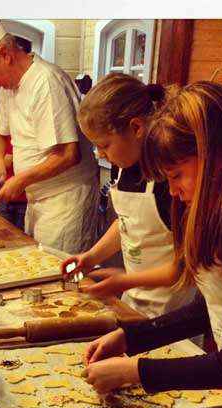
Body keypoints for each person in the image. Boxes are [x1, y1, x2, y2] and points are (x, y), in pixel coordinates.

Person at [82, 81, 222, 394]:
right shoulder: (219, 219)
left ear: (217, 158)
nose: (172, 191)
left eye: (176, 175)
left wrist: (134, 371)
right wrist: (132, 337)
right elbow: (207, 308)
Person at [0, 19, 100, 254]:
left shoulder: (46, 81)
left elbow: (68, 154)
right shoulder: (9, 88)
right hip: (39, 199)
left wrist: (20, 180)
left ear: (5, 55)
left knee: (58, 272)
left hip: (64, 201)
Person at [62, 73, 194, 319]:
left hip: (170, 312)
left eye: (105, 145)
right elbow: (127, 223)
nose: (100, 154)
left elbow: (184, 266)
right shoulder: (124, 167)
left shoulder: (171, 183)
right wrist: (91, 257)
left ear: (136, 128)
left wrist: (124, 280)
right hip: (132, 302)